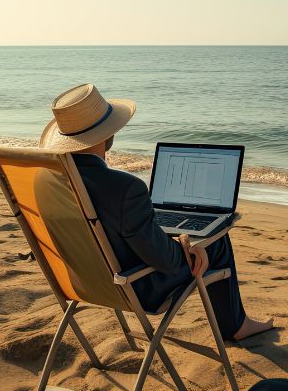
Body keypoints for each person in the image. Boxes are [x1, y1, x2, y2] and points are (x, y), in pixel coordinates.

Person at [39, 83, 274, 342]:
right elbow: (168, 262)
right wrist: (189, 247)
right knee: (217, 239)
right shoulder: (126, 188)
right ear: (109, 136)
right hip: (137, 287)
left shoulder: (45, 180)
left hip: (82, 282)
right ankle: (236, 326)